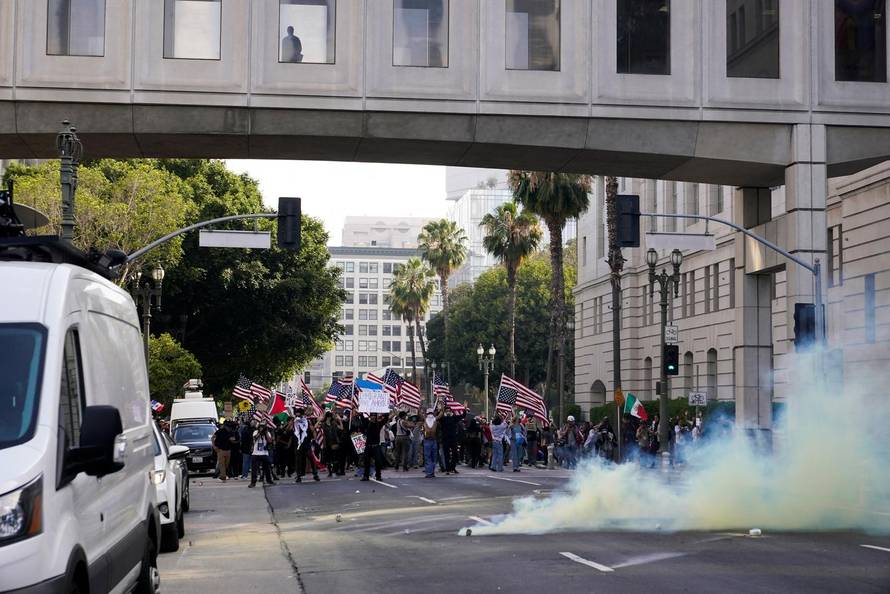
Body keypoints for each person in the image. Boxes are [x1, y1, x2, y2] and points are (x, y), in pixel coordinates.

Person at [293, 408, 320, 483]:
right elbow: (289, 429)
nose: (297, 415)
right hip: (298, 444)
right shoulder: (295, 422)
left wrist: (315, 439)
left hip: (307, 443)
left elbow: (313, 430)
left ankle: (315, 474)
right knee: (298, 460)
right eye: (296, 414)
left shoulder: (307, 421)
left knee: (311, 458)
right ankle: (298, 476)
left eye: (299, 414)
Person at [361, 413, 389, 482]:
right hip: (368, 446)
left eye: (374, 416)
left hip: (376, 446)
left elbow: (385, 419)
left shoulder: (378, 424)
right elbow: (361, 416)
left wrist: (384, 412)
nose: (373, 417)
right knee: (366, 461)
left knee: (378, 462)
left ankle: (378, 476)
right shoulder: (367, 423)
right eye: (372, 416)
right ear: (370, 417)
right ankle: (366, 476)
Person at [249, 422, 275, 488]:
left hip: (264, 453)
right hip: (256, 453)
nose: (262, 428)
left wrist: (265, 432)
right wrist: (260, 432)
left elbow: (270, 441)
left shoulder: (267, 432)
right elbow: (255, 438)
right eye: (261, 427)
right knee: (254, 469)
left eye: (263, 427)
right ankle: (253, 482)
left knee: (267, 468)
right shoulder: (255, 432)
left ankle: (269, 480)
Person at [421, 406, 443, 478]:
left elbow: (441, 414)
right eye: (429, 413)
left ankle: (431, 472)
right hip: (429, 440)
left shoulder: (433, 419)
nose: (430, 414)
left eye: (431, 413)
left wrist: (442, 406)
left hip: (431, 441)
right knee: (430, 457)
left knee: (431, 457)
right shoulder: (428, 419)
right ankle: (430, 472)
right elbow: (441, 414)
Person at [440, 407, 462, 474]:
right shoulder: (443, 419)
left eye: (449, 411)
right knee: (446, 455)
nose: (448, 412)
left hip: (453, 439)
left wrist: (464, 409)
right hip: (445, 439)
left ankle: (453, 467)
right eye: (447, 411)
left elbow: (462, 416)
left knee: (455, 454)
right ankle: (448, 469)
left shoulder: (454, 418)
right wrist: (441, 410)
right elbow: (438, 416)